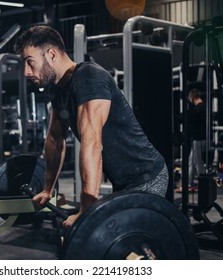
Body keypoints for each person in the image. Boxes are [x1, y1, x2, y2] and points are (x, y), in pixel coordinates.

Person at [14, 25, 168, 228]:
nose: (26, 72)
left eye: (29, 62)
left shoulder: (88, 78)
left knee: (122, 244)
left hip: (147, 178)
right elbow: (54, 139)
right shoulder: (58, 89)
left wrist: (86, 210)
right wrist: (47, 189)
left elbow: (92, 142)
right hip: (123, 182)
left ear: (51, 54)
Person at [187, 88, 207, 190]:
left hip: (197, 140)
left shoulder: (196, 110)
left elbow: (191, 123)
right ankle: (189, 183)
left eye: (189, 98)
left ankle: (203, 184)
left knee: (198, 163)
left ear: (193, 97)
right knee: (191, 161)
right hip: (204, 139)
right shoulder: (206, 108)